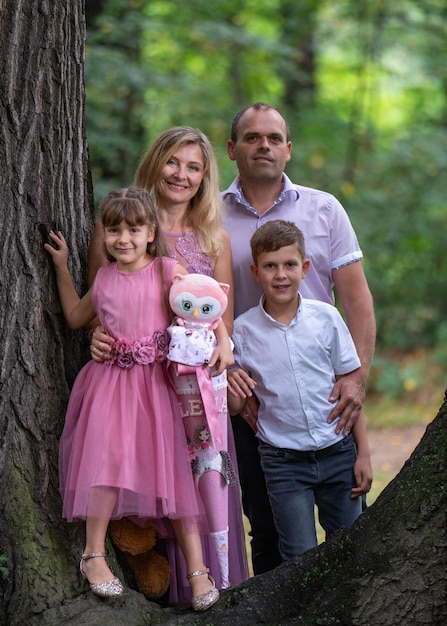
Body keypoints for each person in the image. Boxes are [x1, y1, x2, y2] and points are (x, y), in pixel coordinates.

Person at [88, 128, 249, 601]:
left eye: (194, 167)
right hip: (136, 385)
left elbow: (224, 316)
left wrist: (224, 349)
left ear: (204, 178)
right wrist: (97, 335)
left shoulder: (212, 238)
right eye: (173, 162)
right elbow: (101, 302)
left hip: (194, 389)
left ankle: (211, 579)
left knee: (199, 476)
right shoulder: (121, 225)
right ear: (156, 163)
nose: (181, 174)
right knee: (146, 472)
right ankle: (160, 592)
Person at [44, 187, 219, 611]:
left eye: (133, 229)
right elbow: (74, 317)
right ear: (104, 235)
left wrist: (221, 339)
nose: (123, 238)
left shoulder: (166, 271)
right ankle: (93, 554)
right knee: (104, 462)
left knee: (173, 472)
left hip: (155, 389)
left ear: (150, 233)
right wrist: (63, 267)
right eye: (114, 229)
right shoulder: (103, 277)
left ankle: (198, 572)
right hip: (108, 386)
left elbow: (205, 305)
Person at [222, 102, 376, 574]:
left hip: (324, 391)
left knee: (348, 523)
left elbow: (357, 303)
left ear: (288, 149)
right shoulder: (209, 217)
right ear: (232, 149)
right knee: (269, 530)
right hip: (253, 397)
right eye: (251, 137)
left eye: (273, 138)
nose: (263, 145)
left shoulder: (324, 208)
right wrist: (228, 374)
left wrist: (356, 382)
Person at [227, 220, 372, 560]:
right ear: (255, 271)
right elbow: (236, 405)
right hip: (282, 461)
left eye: (290, 265)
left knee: (349, 549)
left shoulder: (326, 318)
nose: (281, 275)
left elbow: (352, 390)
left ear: (304, 268)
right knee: (298, 555)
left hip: (338, 451)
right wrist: (227, 373)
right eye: (270, 266)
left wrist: (362, 453)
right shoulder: (243, 331)